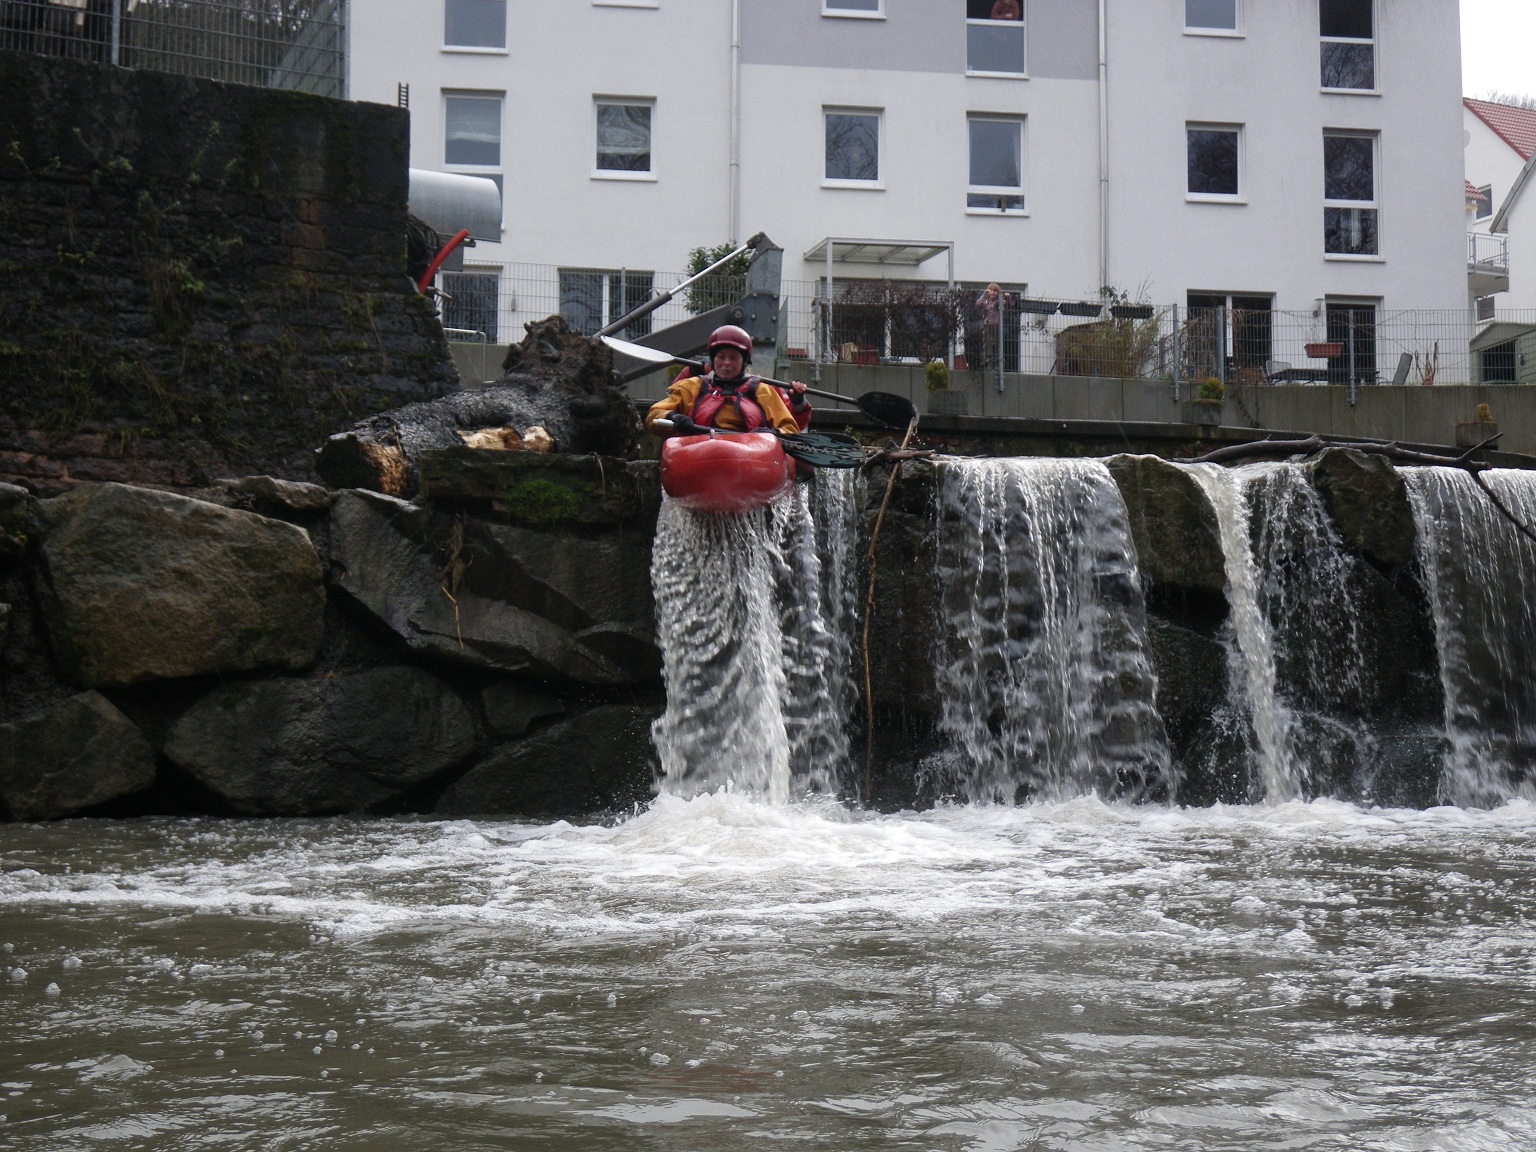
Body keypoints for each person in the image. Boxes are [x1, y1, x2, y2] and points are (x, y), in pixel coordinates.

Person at [647, 325, 811, 437]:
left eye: (733, 358)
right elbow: (654, 415)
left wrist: (773, 435)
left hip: (752, 453)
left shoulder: (762, 391)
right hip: (699, 450)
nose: (726, 363)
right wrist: (673, 417)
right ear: (712, 360)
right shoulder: (692, 387)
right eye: (721, 357)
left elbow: (790, 429)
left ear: (743, 363)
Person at [974, 283, 1012, 374]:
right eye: (991, 290)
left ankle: (997, 364)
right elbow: (978, 304)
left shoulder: (999, 301)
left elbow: (1008, 304)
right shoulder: (986, 301)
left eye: (995, 291)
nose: (993, 293)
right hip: (987, 326)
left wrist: (1008, 297)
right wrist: (984, 294)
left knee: (997, 345)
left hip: (996, 326)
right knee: (987, 345)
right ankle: (988, 363)